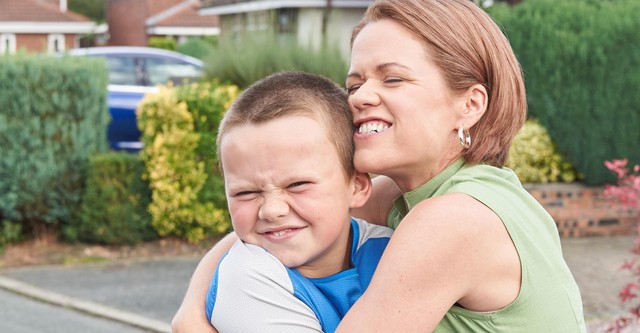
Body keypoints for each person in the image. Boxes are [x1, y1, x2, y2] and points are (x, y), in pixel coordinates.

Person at [173, 0, 587, 332]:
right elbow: (266, 222)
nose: (359, 97)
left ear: (470, 104)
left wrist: (196, 323)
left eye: (392, 79)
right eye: (355, 84)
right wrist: (193, 305)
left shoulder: (452, 219)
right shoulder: (429, 193)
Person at [204, 71, 393, 333]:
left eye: (297, 185)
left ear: (357, 186)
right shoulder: (245, 277)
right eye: (245, 193)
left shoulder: (392, 247)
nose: (272, 210)